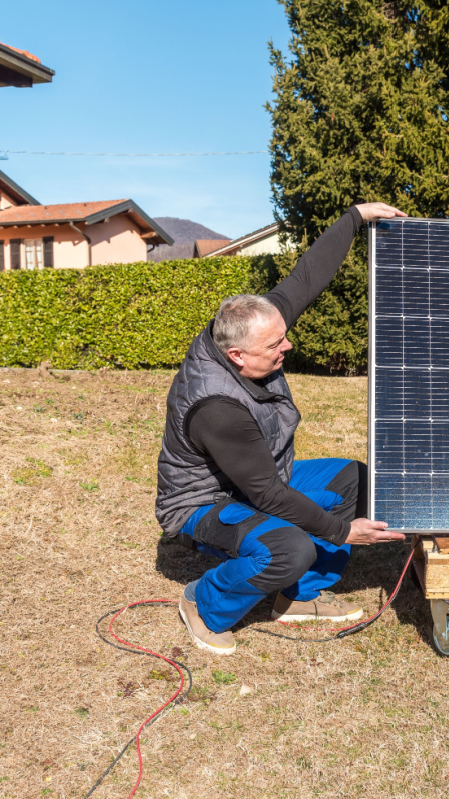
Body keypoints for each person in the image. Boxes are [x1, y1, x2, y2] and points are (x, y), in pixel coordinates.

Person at [155, 202, 406, 655]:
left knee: (359, 480)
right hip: (205, 501)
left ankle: (294, 597)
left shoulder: (247, 326)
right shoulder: (217, 407)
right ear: (237, 356)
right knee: (290, 548)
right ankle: (203, 603)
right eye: (276, 344)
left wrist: (354, 217)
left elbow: (308, 278)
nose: (288, 345)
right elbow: (268, 494)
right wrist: (343, 532)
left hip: (258, 478)